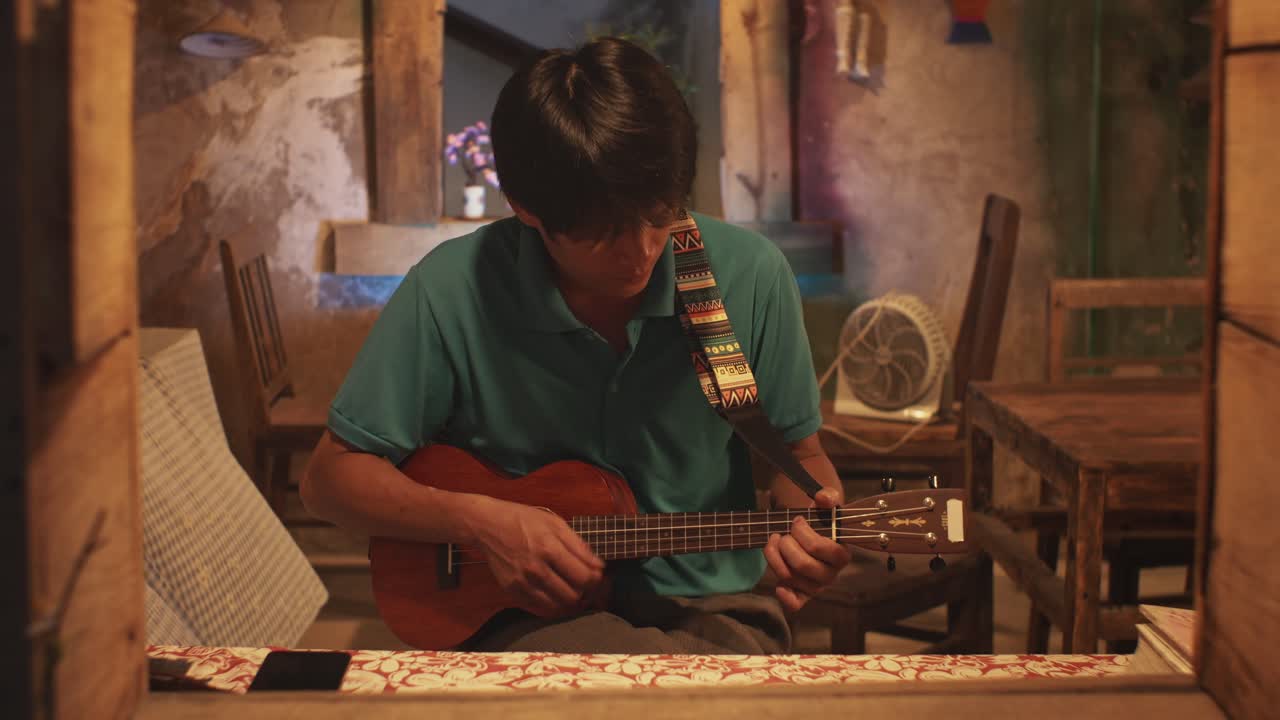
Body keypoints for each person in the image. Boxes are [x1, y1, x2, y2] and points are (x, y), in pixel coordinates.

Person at [301, 36, 849, 654]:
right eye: (604, 233)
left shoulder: (747, 276)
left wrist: (813, 528)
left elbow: (801, 461)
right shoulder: (452, 288)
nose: (643, 250)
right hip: (525, 611)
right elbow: (329, 480)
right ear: (525, 207)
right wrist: (480, 522)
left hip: (714, 601)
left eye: (660, 213)